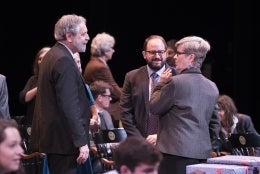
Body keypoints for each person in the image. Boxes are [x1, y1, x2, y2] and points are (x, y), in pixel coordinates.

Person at [30, 14, 92, 174]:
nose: (87, 38)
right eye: (83, 34)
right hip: (64, 141)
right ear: (69, 36)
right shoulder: (63, 60)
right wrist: (81, 142)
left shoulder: (52, 55)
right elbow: (69, 105)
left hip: (57, 140)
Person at [149, 35, 220, 174]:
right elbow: (214, 124)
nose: (175, 57)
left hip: (174, 155)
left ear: (191, 58)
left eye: (179, 53)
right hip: (202, 155)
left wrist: (160, 84)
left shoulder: (175, 82)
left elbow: (154, 107)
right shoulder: (212, 87)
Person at [120, 35, 177, 145]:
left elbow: (180, 114)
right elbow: (125, 112)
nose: (157, 56)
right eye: (152, 52)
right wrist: (140, 140)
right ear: (144, 54)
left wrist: (160, 135)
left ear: (166, 53)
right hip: (140, 144)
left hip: (169, 144)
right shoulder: (132, 77)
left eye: (161, 52)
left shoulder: (177, 77)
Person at [83, 32, 122, 128]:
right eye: (111, 48)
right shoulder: (99, 67)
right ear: (105, 51)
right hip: (95, 104)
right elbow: (114, 91)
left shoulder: (97, 62)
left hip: (98, 100)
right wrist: (131, 93)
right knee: (127, 105)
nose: (113, 51)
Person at [19, 47, 50, 126]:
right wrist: (39, 87)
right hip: (33, 123)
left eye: (45, 58)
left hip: (51, 124)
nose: (41, 61)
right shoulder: (33, 79)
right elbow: (23, 98)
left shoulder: (57, 79)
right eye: (40, 59)